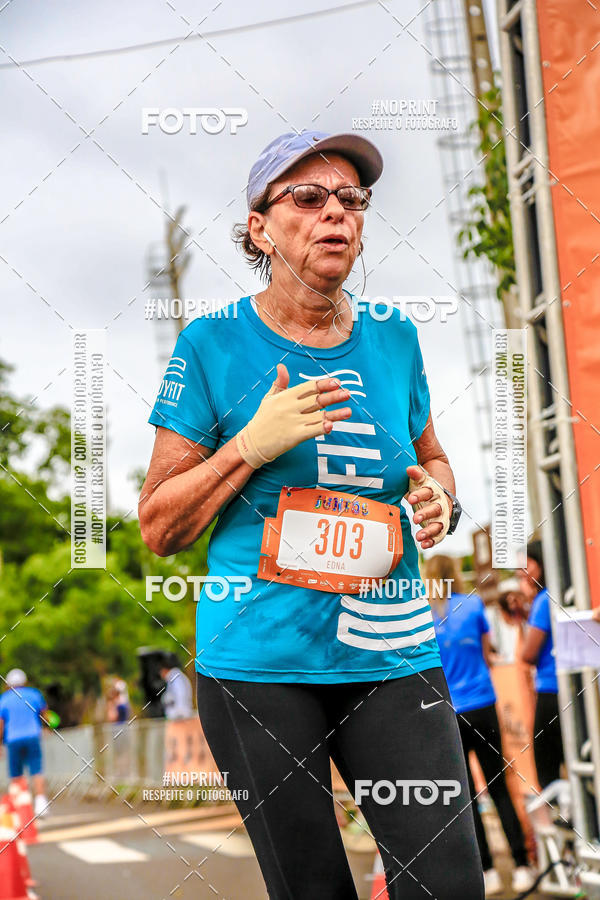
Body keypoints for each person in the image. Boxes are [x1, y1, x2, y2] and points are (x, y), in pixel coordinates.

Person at [139, 129, 482, 899]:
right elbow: (159, 527)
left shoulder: (395, 337)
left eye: (351, 200)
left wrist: (440, 496)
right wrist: (250, 447)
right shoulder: (213, 345)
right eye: (308, 198)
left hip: (391, 654)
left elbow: (433, 460)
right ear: (260, 227)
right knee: (314, 888)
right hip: (259, 665)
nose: (336, 213)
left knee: (449, 883)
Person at [426, 556, 535, 895]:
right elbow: (488, 654)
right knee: (498, 787)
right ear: (455, 575)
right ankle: (521, 866)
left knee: (465, 796)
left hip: (447, 713)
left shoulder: (425, 616)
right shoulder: (472, 606)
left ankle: (485, 870)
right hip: (483, 705)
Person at [519, 540, 565, 789]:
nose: (520, 572)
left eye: (526, 565)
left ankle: (563, 822)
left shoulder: (543, 600)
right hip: (569, 687)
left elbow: (528, 654)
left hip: (550, 690)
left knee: (546, 766)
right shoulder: (559, 592)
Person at [0, 668, 50, 817]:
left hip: (13, 739)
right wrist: (46, 728)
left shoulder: (4, 699)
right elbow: (45, 715)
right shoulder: (34, 694)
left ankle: (19, 807)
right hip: (32, 736)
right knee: (37, 770)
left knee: (16, 775)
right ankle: (41, 805)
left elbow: (1, 724)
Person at [159, 655, 194, 720]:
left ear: (164, 669)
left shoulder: (175, 677)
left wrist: (179, 713)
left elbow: (181, 693)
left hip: (181, 715)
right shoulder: (174, 677)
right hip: (180, 713)